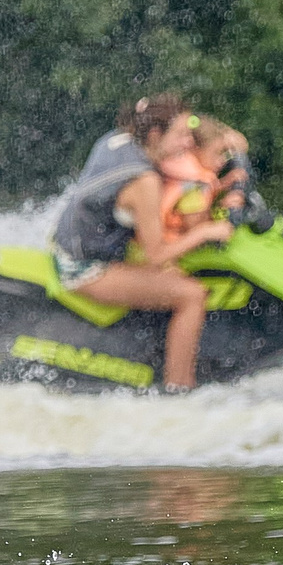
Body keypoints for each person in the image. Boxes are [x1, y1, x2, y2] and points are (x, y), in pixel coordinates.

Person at [50, 95, 238, 391]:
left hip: (73, 246)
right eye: (180, 135)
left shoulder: (119, 139)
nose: (188, 142)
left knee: (177, 273)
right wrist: (203, 233)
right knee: (192, 295)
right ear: (154, 135)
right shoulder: (144, 182)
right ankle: (180, 387)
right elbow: (156, 254)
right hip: (86, 269)